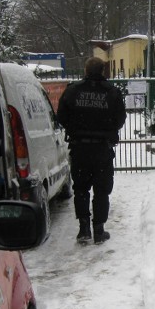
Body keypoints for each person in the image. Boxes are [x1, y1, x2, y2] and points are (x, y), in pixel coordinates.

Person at [57, 57, 126, 244]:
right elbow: (120, 119)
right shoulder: (112, 92)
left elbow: (61, 116)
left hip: (79, 148)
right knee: (102, 190)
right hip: (102, 149)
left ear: (86, 71)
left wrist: (76, 127)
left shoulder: (72, 91)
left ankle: (84, 229)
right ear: (103, 71)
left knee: (81, 189)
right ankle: (99, 229)